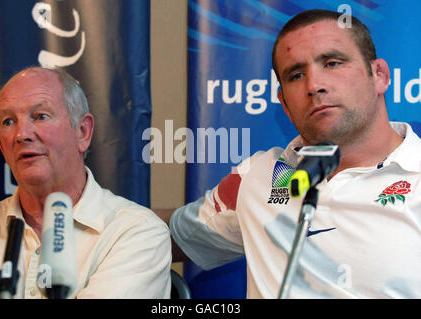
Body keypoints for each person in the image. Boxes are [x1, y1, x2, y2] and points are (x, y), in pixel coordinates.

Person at [158, 9, 421, 298]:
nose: (314, 86)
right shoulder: (259, 176)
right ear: (284, 102)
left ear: (379, 75)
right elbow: (155, 237)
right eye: (296, 75)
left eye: (332, 63)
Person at [0, 67, 171, 298]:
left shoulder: (137, 232)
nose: (21, 134)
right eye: (8, 121)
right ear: (1, 146)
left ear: (83, 132)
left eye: (40, 116)